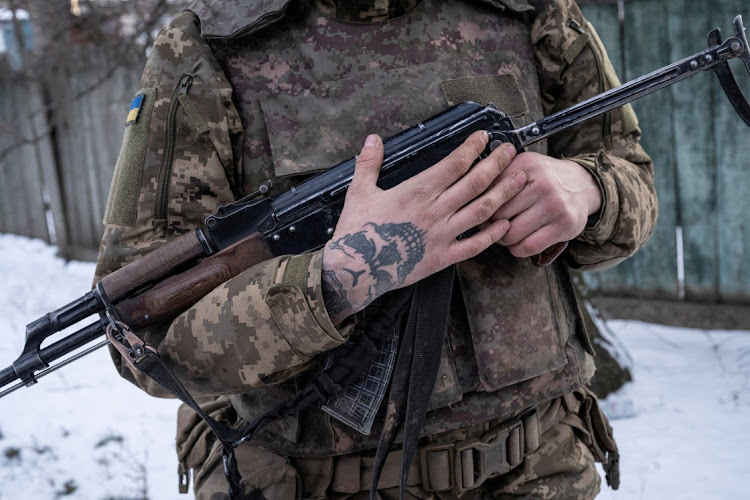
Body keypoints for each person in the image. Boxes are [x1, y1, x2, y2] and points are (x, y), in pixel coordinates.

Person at [94, 0, 657, 498]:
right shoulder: (203, 50)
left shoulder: (533, 10)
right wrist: (333, 280)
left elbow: (633, 178)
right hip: (315, 483)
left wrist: (588, 190)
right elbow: (140, 341)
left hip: (543, 468)